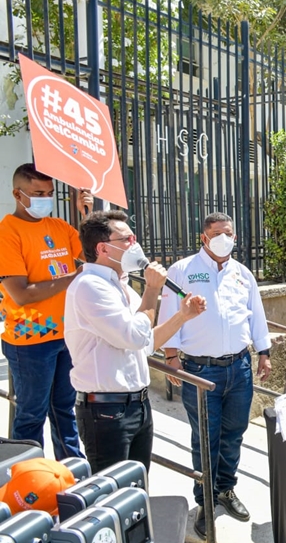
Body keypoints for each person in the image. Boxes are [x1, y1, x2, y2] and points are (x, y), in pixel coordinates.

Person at [64, 210, 206, 474]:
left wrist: (182, 316)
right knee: (115, 497)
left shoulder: (120, 285)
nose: (134, 245)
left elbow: (145, 343)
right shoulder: (90, 286)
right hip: (107, 410)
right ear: (102, 248)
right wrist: (152, 290)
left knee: (137, 491)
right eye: (126, 240)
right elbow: (135, 336)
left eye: (134, 238)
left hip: (137, 405)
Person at [159, 212, 272, 538]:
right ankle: (204, 502)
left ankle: (225, 488)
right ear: (204, 238)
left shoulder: (242, 274)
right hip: (199, 370)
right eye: (219, 233)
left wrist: (263, 353)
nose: (227, 238)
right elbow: (169, 314)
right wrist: (171, 356)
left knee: (234, 433)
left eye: (230, 233)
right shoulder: (183, 271)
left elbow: (256, 315)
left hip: (239, 369)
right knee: (205, 439)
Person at [0, 163, 92, 460]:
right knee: (31, 415)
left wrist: (86, 216)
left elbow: (92, 255)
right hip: (30, 341)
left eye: (50, 193)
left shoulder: (59, 227)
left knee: (65, 410)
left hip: (66, 334)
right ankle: (26, 477)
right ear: (18, 194)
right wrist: (71, 278)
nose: (46, 199)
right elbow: (21, 293)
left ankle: (71, 470)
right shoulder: (7, 232)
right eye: (38, 193)